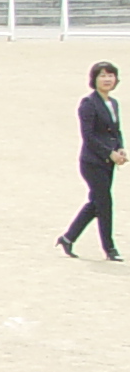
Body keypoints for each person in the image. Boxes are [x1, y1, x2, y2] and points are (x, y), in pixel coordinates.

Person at [60, 60, 126, 261]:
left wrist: (120, 148)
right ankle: (110, 248)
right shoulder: (88, 104)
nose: (107, 79)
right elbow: (88, 136)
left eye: (110, 75)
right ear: (94, 79)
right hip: (92, 162)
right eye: (102, 75)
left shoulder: (113, 103)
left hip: (108, 162)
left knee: (96, 202)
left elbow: (116, 130)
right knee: (104, 203)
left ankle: (68, 238)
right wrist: (109, 153)